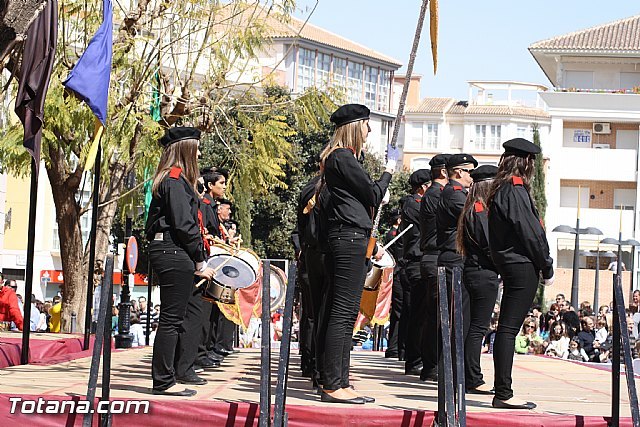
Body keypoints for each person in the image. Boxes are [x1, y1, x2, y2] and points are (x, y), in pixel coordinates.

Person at [318, 103, 394, 404]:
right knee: (342, 312)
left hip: (352, 237)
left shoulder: (344, 158)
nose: (369, 130)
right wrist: (388, 172)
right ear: (354, 126)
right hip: (348, 237)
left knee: (348, 312)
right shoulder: (342, 157)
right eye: (366, 124)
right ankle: (332, 382)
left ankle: (340, 380)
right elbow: (372, 193)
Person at [145, 126, 215, 396]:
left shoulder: (177, 180)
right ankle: (163, 381)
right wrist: (200, 261)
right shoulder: (174, 180)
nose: (198, 154)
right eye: (195, 148)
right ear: (186, 150)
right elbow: (185, 225)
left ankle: (171, 375)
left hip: (174, 250)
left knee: (176, 318)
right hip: (174, 251)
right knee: (172, 319)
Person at [487, 138, 553, 410]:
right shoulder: (514, 189)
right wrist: (546, 264)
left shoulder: (501, 188)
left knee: (506, 328)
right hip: (522, 265)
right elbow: (531, 232)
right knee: (509, 329)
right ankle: (504, 392)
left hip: (509, 263)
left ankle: (503, 390)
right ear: (526, 162)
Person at [456, 165, 499, 394]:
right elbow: (489, 244)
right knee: (478, 328)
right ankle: (473, 377)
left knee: (474, 326)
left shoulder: (472, 207)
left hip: (474, 272)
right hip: (483, 273)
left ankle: (470, 375)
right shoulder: (480, 209)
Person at [418, 154, 450, 382]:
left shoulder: (434, 194)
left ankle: (432, 365)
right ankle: (431, 366)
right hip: (434, 256)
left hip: (434, 256)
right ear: (444, 172)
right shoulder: (436, 195)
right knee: (436, 317)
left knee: (435, 315)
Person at [401, 168, 431, 375]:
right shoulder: (413, 203)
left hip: (421, 261)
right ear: (422, 187)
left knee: (422, 313)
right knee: (418, 313)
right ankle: (413, 360)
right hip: (415, 261)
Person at [383, 210, 406, 360]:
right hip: (397, 273)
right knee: (399, 313)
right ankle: (394, 347)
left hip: (396, 274)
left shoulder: (393, 233)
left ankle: (394, 347)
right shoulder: (394, 234)